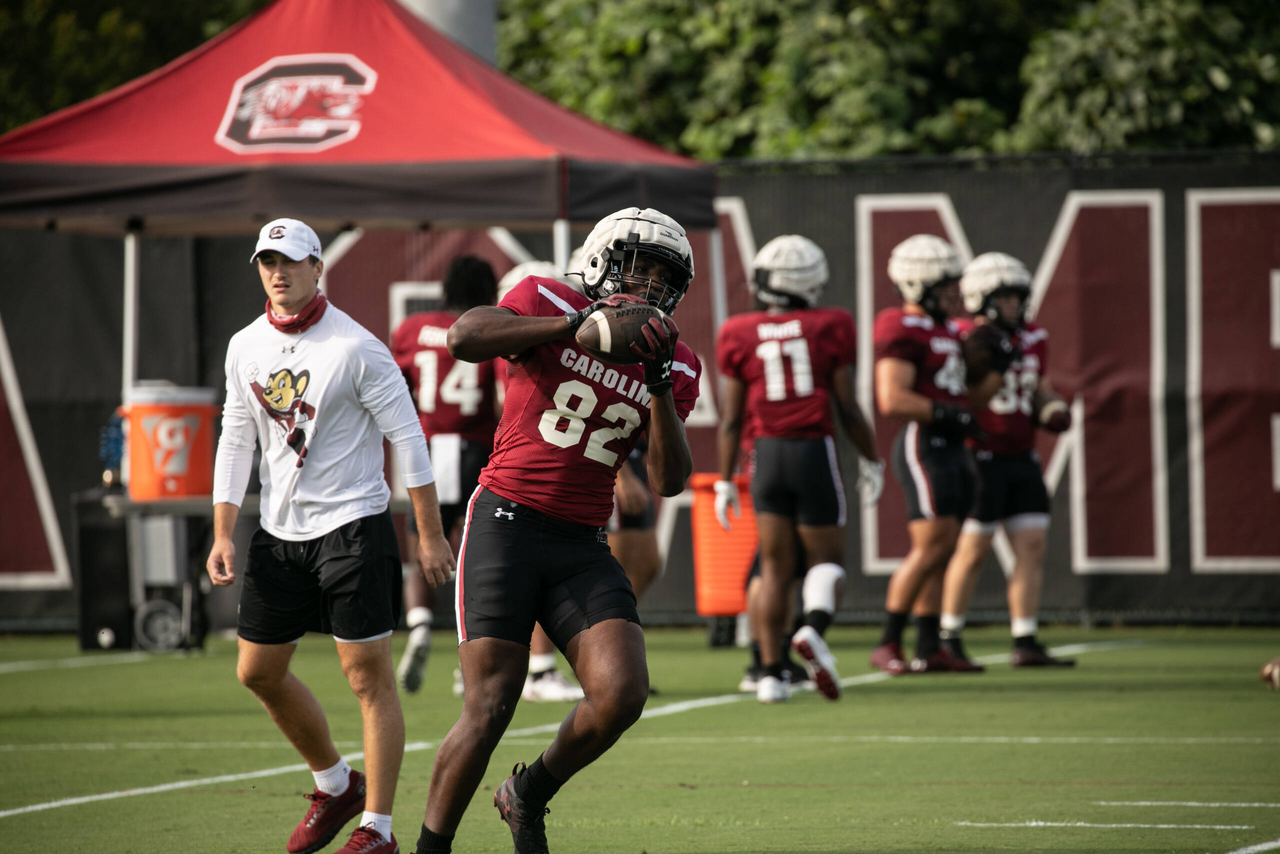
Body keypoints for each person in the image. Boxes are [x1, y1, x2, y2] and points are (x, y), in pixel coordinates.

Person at [412, 208, 700, 854]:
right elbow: (464, 337)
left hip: (580, 542)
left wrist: (656, 386)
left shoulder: (677, 364)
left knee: (622, 692)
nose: (651, 287)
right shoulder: (548, 295)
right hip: (506, 522)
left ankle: (528, 794)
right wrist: (577, 328)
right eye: (640, 267)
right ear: (601, 261)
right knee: (488, 706)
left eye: (665, 278)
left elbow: (668, 478)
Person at [207, 218, 455, 854]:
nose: (277, 273)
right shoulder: (244, 346)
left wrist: (428, 535)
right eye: (267, 262)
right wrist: (224, 531)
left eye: (289, 262)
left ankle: (377, 829)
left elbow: (408, 438)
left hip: (354, 527)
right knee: (257, 671)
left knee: (366, 675)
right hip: (278, 534)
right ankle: (335, 783)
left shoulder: (358, 347)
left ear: (319, 268)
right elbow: (236, 437)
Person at [714, 234, 883, 703]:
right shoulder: (832, 323)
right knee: (826, 564)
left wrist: (726, 478)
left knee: (773, 569)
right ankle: (811, 631)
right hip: (811, 450)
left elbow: (730, 418)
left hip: (764, 455)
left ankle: (769, 676)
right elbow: (848, 406)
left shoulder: (736, 330)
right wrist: (871, 457)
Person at [867, 234, 1007, 676]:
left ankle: (929, 647)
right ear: (917, 285)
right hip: (923, 442)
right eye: (945, 286)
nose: (955, 295)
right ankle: (888, 641)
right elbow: (892, 398)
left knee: (945, 549)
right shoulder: (900, 325)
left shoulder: (948, 330)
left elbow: (976, 400)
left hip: (952, 442)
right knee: (929, 549)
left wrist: (1000, 366)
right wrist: (949, 413)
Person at [939, 252, 1075, 668]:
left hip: (1022, 454)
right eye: (1006, 297)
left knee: (1032, 546)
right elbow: (971, 396)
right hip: (980, 454)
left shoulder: (1033, 337)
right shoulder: (966, 336)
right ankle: (949, 634)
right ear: (981, 297)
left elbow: (1040, 385)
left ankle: (1025, 637)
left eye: (1018, 297)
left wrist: (1050, 406)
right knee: (974, 548)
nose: (1015, 305)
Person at [391, 256, 501, 694]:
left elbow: (396, 389)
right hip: (477, 446)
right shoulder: (488, 327)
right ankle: (469, 655)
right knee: (473, 549)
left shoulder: (413, 330)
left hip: (427, 449)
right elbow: (502, 395)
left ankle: (418, 625)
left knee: (424, 540)